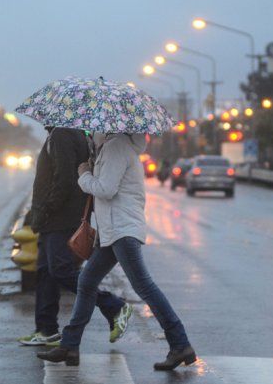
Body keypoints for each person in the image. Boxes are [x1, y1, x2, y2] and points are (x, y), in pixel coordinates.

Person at [38, 133, 195, 370]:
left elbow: (106, 189)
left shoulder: (116, 147)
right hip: (112, 231)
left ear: (107, 128)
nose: (90, 133)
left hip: (122, 231)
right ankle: (70, 346)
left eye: (93, 130)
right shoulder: (110, 149)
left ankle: (180, 344)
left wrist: (84, 175)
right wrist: (92, 167)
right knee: (87, 283)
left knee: (145, 287)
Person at [18, 127, 132, 347]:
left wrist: (46, 209)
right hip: (58, 217)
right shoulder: (71, 133)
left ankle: (114, 305)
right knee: (45, 272)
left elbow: (64, 180)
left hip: (60, 217)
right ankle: (46, 329)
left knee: (60, 269)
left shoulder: (62, 134)